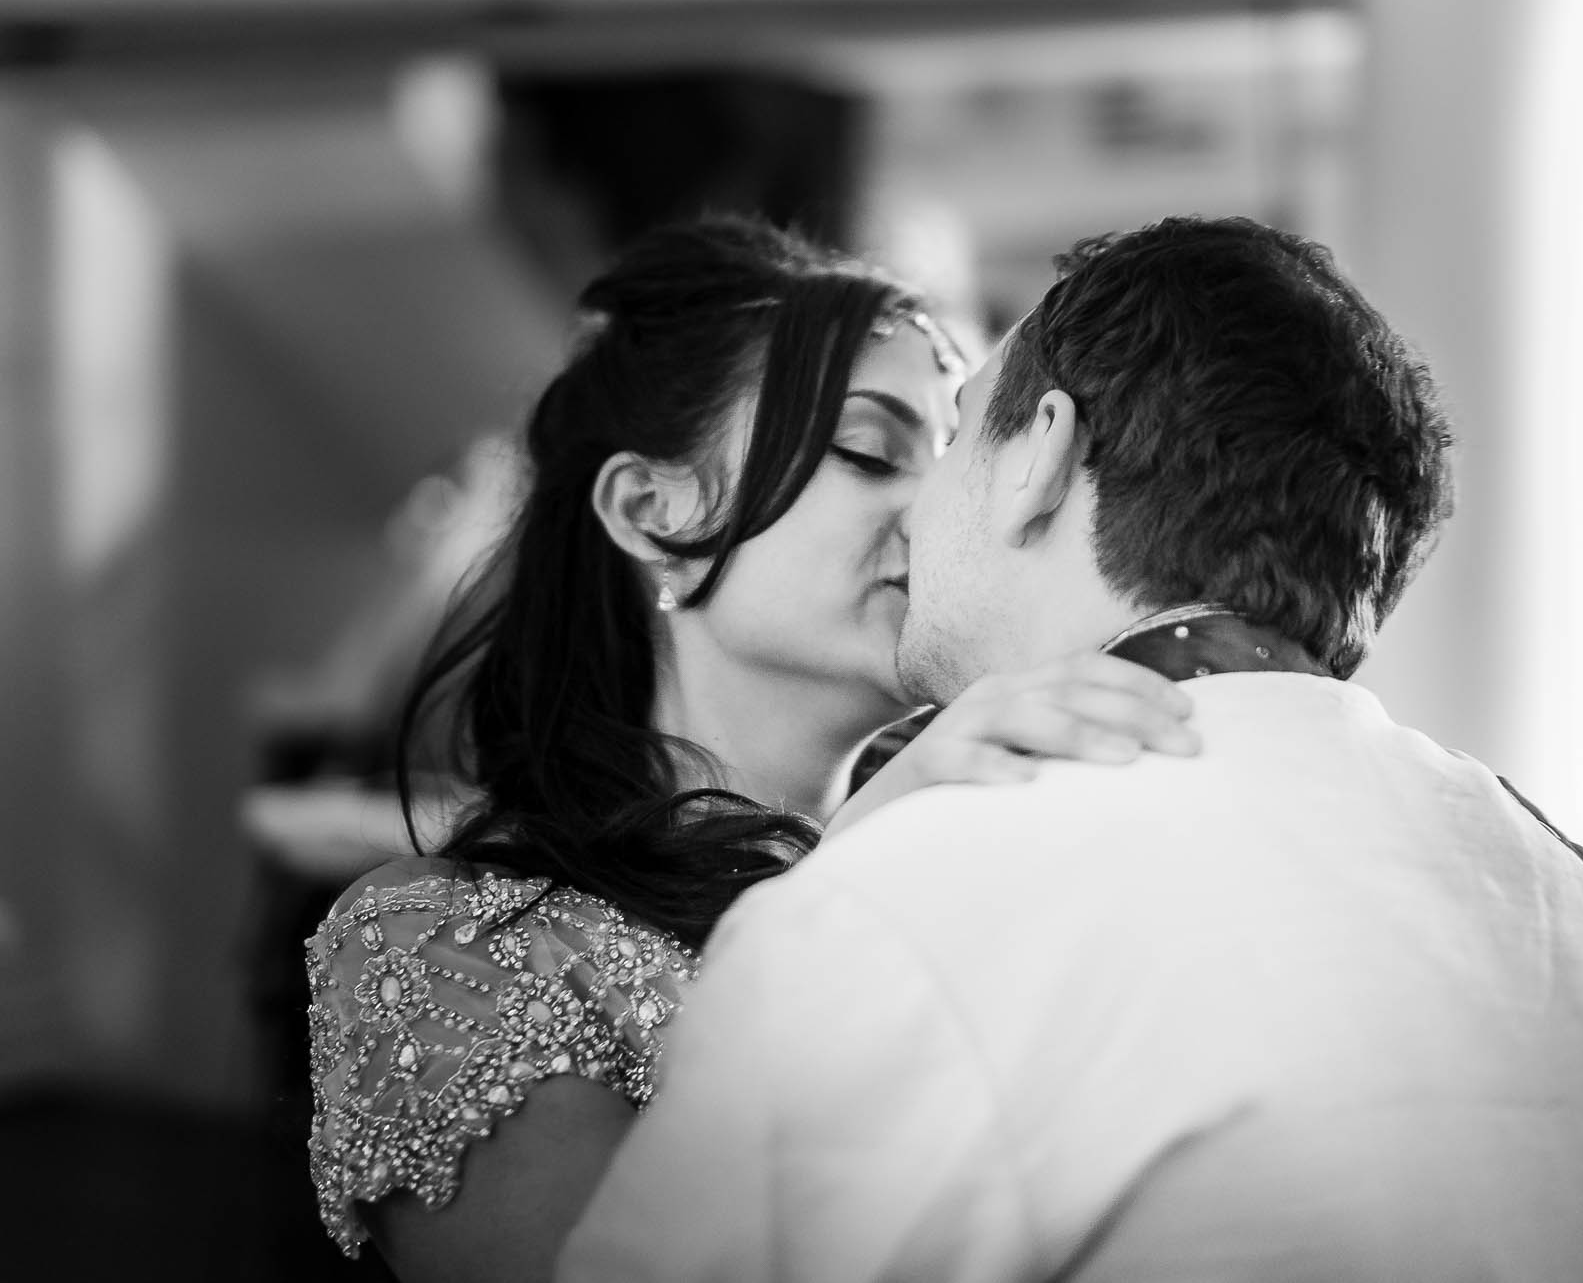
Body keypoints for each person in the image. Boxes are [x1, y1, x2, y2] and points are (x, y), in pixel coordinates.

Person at [559, 216, 1583, 1282]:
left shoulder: (912, 898)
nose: (915, 513)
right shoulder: (1582, 916)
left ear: (1036, 455)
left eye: (955, 436)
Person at [305, 217, 1199, 1283]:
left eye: (958, 461)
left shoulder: (976, 875)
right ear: (653, 511)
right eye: (872, 451)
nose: (939, 514)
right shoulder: (440, 942)